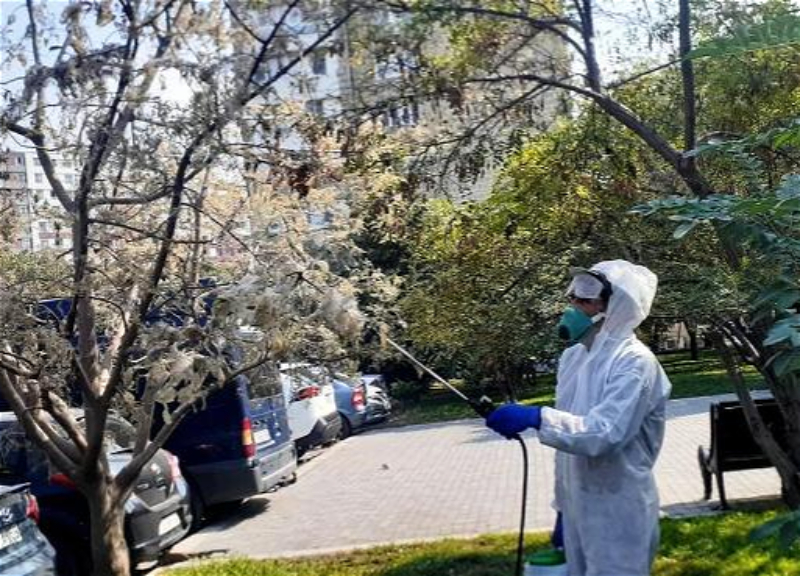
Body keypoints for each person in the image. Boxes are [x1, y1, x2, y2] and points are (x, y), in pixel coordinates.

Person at [487, 260, 672, 576]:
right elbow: (567, 449)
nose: (573, 307)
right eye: (572, 298)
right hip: (578, 505)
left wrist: (536, 417)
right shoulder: (574, 357)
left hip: (619, 508)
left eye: (585, 301)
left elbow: (605, 434)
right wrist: (563, 507)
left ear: (615, 308)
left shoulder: (635, 362)